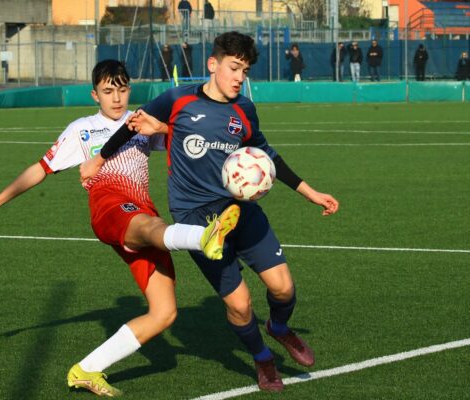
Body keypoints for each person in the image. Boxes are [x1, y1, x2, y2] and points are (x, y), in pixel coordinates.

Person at [81, 32, 340, 392]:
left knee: (283, 289)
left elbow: (267, 156)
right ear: (213, 64)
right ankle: (263, 359)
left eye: (245, 71)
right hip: (197, 219)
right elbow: (133, 125)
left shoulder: (244, 109)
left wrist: (310, 193)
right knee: (240, 306)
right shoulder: (178, 99)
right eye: (234, 68)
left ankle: (279, 327)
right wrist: (99, 158)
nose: (239, 77)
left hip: (241, 210)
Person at [0, 59, 240, 397]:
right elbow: (39, 170)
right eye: (108, 91)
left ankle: (86, 369)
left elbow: (190, 143)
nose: (117, 98)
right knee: (151, 225)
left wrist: (163, 129)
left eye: (123, 90)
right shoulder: (82, 129)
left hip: (142, 212)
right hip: (110, 207)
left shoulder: (140, 122)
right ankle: (203, 237)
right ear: (94, 94)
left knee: (165, 313)